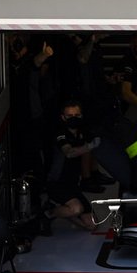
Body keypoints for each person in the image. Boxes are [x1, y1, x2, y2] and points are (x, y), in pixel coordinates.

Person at [42, 100, 102, 234]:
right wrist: (90, 146)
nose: (74, 119)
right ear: (63, 117)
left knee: (92, 225)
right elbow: (69, 153)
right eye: (70, 116)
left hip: (73, 185)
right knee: (76, 209)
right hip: (56, 184)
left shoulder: (82, 132)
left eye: (77, 115)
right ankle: (48, 213)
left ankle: (64, 209)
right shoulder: (60, 134)